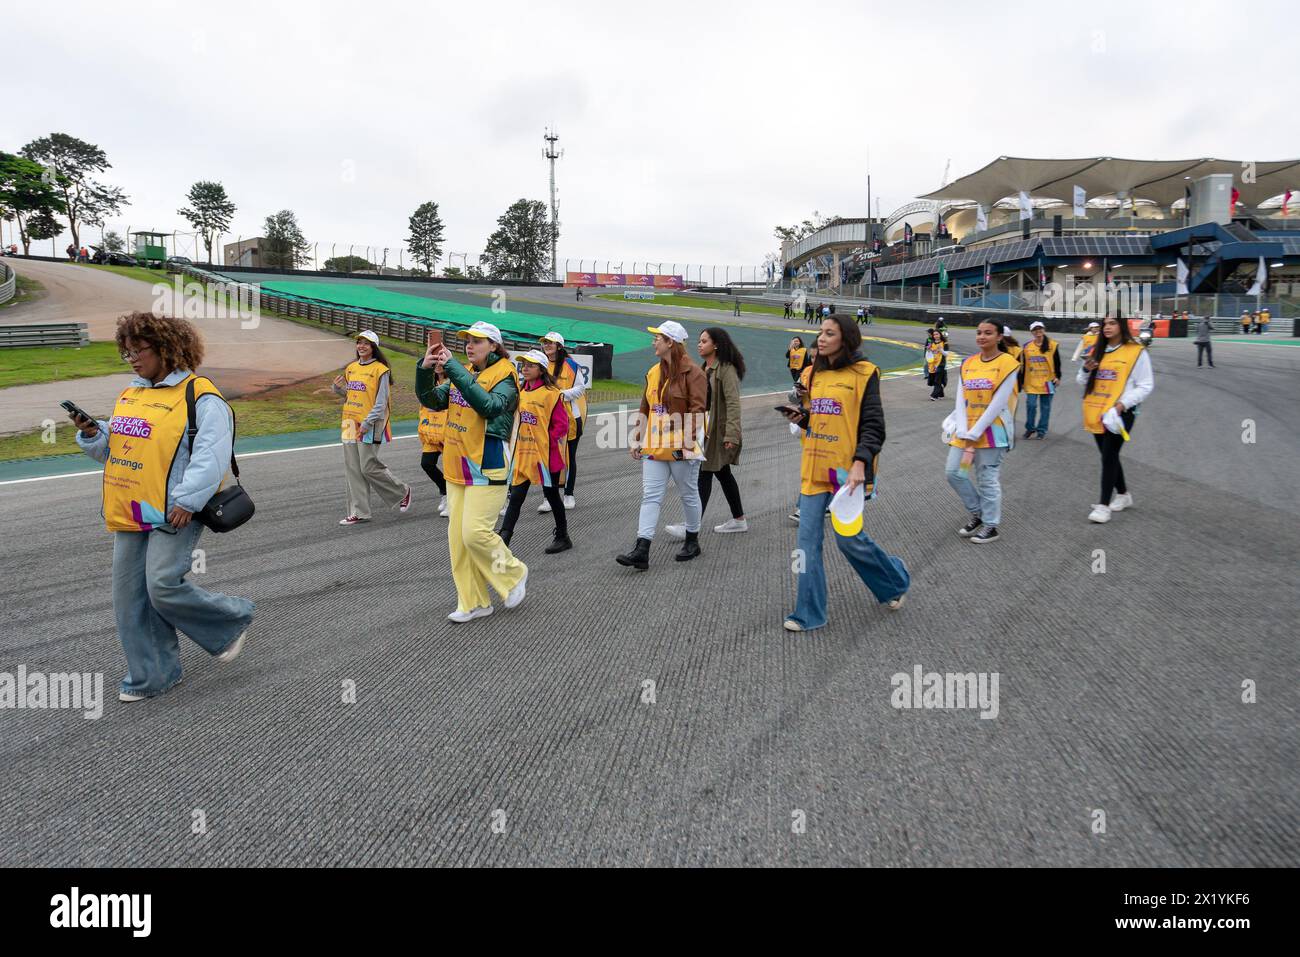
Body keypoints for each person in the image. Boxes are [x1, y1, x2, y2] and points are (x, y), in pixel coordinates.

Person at [69, 312, 254, 702]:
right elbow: (113, 452)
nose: (133, 359)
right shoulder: (132, 394)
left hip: (176, 510)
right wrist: (92, 434)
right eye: (128, 352)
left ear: (168, 349)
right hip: (131, 507)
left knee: (162, 585)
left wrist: (188, 500)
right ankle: (154, 675)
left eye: (140, 351)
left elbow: (212, 455)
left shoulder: (201, 395)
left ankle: (231, 620)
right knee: (129, 597)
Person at [780, 314, 909, 632]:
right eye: (820, 332)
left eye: (829, 333)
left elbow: (873, 426)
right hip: (813, 467)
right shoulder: (815, 375)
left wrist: (860, 463)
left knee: (849, 540)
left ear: (846, 339)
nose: (821, 339)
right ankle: (808, 612)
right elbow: (821, 418)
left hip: (846, 473)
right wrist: (803, 419)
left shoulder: (865, 374)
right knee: (806, 543)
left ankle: (894, 580)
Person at [415, 321, 528, 621]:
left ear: (494, 345)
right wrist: (424, 370)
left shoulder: (505, 373)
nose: (469, 345)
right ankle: (474, 602)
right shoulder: (464, 371)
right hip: (456, 463)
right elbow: (431, 401)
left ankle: (513, 574)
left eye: (478, 341)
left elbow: (490, 406)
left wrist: (454, 370)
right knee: (458, 541)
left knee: (475, 533)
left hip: (487, 462)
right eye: (467, 340)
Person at [615, 320, 706, 570]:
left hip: (681, 447)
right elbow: (645, 407)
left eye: (658, 338)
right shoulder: (653, 371)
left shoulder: (694, 373)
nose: (653, 341)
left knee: (688, 494)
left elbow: (698, 410)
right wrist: (637, 438)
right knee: (651, 496)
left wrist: (688, 442)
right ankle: (642, 549)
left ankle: (692, 540)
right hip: (655, 446)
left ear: (671, 343)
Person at [943, 318, 1020, 544]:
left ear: (999, 337)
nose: (982, 336)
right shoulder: (968, 363)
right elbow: (960, 399)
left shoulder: (1008, 363)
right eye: (979, 332)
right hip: (965, 433)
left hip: (992, 433)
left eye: (988, 333)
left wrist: (975, 432)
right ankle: (978, 512)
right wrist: (965, 430)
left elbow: (999, 402)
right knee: (955, 472)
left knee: (987, 479)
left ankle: (991, 525)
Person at [667, 327, 746, 537]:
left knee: (704, 474)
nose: (699, 344)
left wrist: (731, 435)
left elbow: (733, 403)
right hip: (706, 430)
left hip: (717, 433)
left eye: (704, 341)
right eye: (699, 341)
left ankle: (691, 527)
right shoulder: (705, 368)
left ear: (716, 345)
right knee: (723, 473)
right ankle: (739, 520)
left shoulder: (726, 369)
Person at [1080, 315, 1154, 524]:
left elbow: (1146, 385)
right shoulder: (1097, 350)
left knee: (1109, 456)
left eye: (1112, 323)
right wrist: (1087, 369)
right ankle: (1123, 494)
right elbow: (1081, 379)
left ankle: (1103, 506)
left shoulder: (1136, 351)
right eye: (1105, 324)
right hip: (1097, 410)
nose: (1107, 327)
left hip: (1121, 413)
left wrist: (1123, 404)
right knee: (1108, 455)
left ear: (1122, 326)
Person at [333, 330, 412, 525]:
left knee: (367, 467)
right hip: (349, 422)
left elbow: (381, 402)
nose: (361, 346)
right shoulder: (351, 368)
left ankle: (402, 491)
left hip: (370, 424)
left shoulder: (380, 370)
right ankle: (359, 512)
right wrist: (337, 389)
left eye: (366, 344)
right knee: (352, 469)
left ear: (373, 348)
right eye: (359, 343)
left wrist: (367, 423)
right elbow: (351, 395)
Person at [497, 350, 572, 554]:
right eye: (523, 364)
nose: (525, 368)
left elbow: (562, 425)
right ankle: (504, 538)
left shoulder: (552, 394)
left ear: (541, 369)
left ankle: (563, 536)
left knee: (552, 495)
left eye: (530, 365)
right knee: (517, 496)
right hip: (522, 455)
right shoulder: (519, 391)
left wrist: (545, 440)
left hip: (545, 456)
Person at [538, 331, 587, 511]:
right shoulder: (541, 364)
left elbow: (580, 388)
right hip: (546, 418)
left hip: (570, 418)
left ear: (559, 346)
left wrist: (560, 395)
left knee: (569, 457)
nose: (547, 345)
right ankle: (548, 497)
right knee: (548, 457)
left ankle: (568, 494)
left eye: (550, 343)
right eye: (545, 343)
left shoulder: (571, 365)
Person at [1020, 320, 1061, 439]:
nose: (1038, 331)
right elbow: (1024, 365)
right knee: (1031, 405)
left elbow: (1057, 362)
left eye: (1040, 329)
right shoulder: (1027, 347)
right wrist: (1021, 381)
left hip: (1048, 381)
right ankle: (1030, 428)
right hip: (1031, 381)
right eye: (1035, 329)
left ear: (1044, 330)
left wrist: (1058, 377)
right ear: (1032, 332)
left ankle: (1041, 431)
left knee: (1045, 408)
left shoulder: (1052, 345)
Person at [417, 372, 450, 517]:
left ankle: (453, 501)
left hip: (449, 433)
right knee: (427, 463)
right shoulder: (429, 384)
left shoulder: (453, 382)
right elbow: (423, 411)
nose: (437, 364)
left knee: (452, 469)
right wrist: (424, 431)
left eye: (440, 360)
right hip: (432, 432)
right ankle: (445, 492)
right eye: (434, 360)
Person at [924, 329, 949, 401]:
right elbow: (930, 352)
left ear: (940, 335)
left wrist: (941, 350)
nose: (935, 336)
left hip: (941, 363)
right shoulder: (931, 342)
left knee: (937, 380)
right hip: (933, 363)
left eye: (937, 334)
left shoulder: (945, 343)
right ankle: (941, 394)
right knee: (935, 380)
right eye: (934, 334)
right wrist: (928, 349)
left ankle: (934, 395)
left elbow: (947, 354)